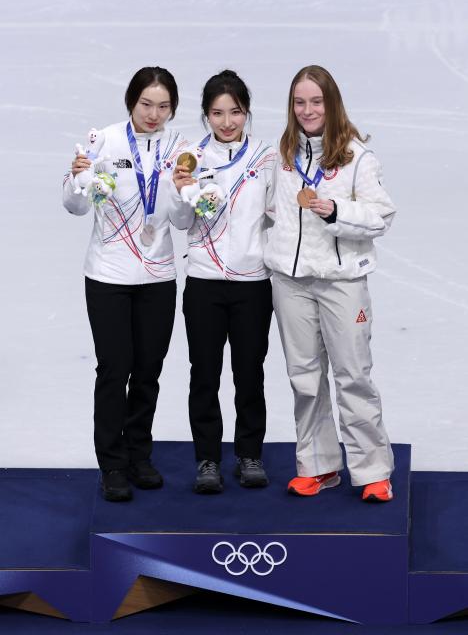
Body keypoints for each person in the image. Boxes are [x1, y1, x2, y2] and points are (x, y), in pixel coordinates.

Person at [265, 65, 395, 503]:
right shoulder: (282, 155)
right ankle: (318, 466)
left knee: (353, 375)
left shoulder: (357, 157)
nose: (307, 110)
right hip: (291, 281)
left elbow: (381, 216)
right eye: (299, 102)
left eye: (316, 102)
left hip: (341, 282)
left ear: (332, 103)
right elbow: (269, 212)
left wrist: (336, 210)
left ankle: (372, 470)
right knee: (304, 377)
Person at [62, 66, 188, 502]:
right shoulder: (106, 142)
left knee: (148, 371)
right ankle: (112, 463)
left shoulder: (180, 149)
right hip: (109, 275)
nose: (154, 114)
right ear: (131, 102)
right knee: (115, 370)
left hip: (158, 275)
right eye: (145, 104)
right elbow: (74, 205)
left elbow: (184, 220)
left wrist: (184, 191)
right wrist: (79, 177)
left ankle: (139, 455)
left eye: (164, 106)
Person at [172, 70, 276, 494]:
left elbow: (275, 214)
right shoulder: (189, 156)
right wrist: (181, 190)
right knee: (205, 373)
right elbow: (181, 221)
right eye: (217, 113)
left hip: (253, 282)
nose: (227, 122)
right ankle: (208, 459)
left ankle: (249, 454)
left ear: (246, 112)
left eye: (235, 112)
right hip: (204, 281)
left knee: (250, 371)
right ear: (206, 115)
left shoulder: (266, 157)